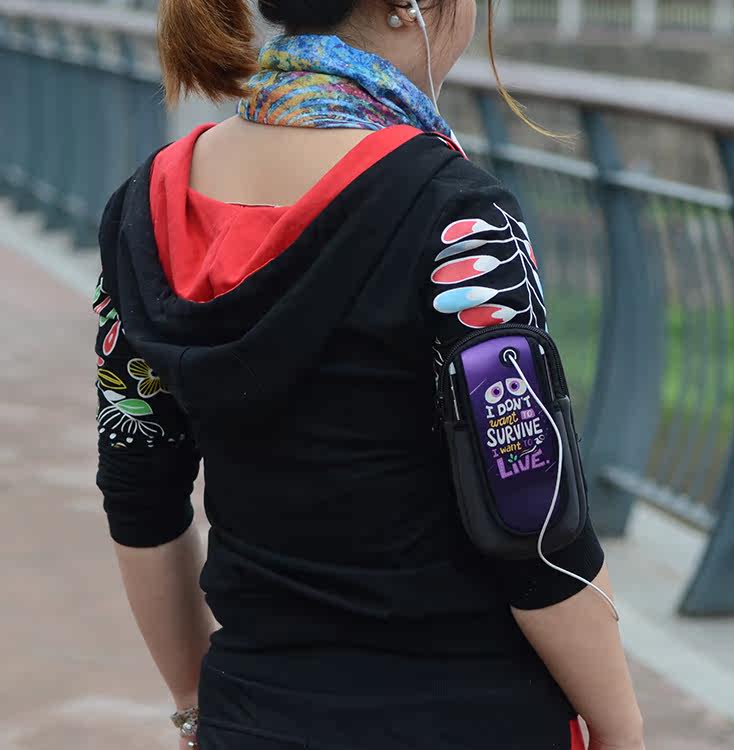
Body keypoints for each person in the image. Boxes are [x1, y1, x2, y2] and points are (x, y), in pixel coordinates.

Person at [93, 0, 645, 748]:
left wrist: (200, 705)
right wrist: (621, 727)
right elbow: (534, 519)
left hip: (254, 715)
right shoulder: (461, 221)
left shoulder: (147, 207)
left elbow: (139, 492)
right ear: (406, 7)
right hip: (467, 715)